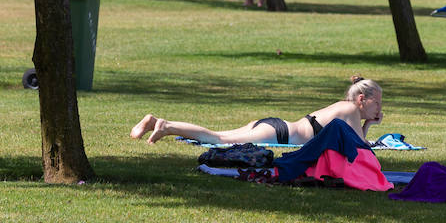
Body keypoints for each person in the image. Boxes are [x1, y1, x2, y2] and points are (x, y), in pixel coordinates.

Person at [131, 76, 382, 145]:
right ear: (362, 99)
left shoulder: (343, 107)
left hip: (277, 126)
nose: (379, 108)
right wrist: (370, 125)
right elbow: (361, 148)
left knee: (218, 136)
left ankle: (153, 121)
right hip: (279, 134)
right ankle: (165, 126)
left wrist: (367, 124)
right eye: (377, 103)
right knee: (217, 139)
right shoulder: (350, 109)